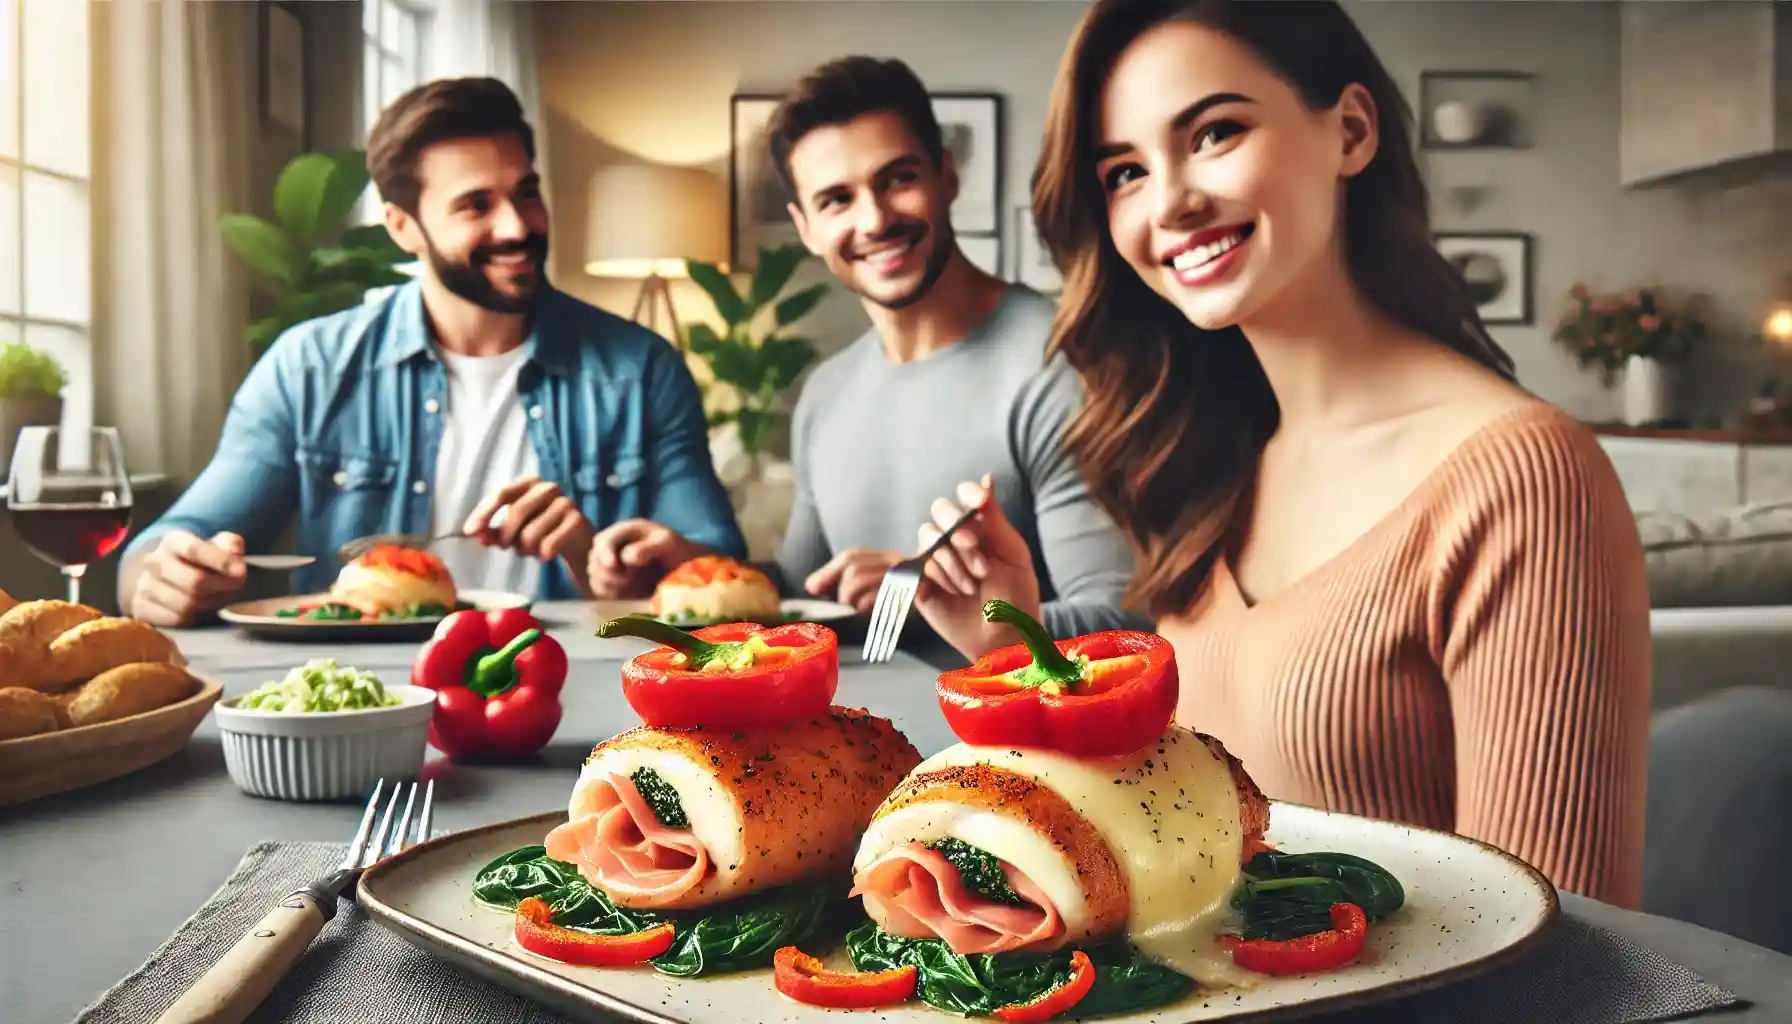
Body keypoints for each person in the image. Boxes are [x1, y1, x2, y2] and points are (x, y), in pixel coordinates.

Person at [913, 0, 1651, 907]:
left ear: (1349, 130)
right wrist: (1015, 648)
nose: (1171, 201)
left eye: (1215, 132)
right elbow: (1162, 846)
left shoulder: (1528, 482)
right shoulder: (1209, 463)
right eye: (1125, 172)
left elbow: (1556, 947)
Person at [120, 77, 744, 625]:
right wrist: (162, 574)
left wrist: (618, 567)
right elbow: (173, 540)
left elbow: (718, 560)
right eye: (476, 204)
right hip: (361, 692)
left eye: (526, 192)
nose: (517, 226)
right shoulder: (309, 366)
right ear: (402, 227)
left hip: (569, 681)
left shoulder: (640, 369)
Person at [722, 55, 1138, 643]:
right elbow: (801, 599)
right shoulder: (826, 391)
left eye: (897, 178)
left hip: (1011, 734)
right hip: (856, 733)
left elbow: (1122, 625)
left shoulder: (1062, 363)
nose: (874, 219)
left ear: (946, 176)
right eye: (836, 200)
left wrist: (924, 604)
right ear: (807, 226)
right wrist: (687, 569)